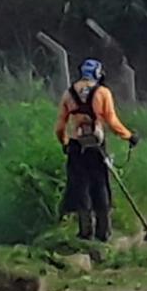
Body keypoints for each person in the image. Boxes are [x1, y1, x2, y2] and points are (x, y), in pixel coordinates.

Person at [55, 59, 139, 242]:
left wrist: (65, 142)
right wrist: (129, 136)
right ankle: (103, 231)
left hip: (76, 146)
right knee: (100, 185)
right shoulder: (102, 93)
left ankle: (85, 231)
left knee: (80, 186)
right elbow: (112, 122)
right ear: (97, 74)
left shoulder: (68, 94)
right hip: (96, 146)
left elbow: (60, 126)